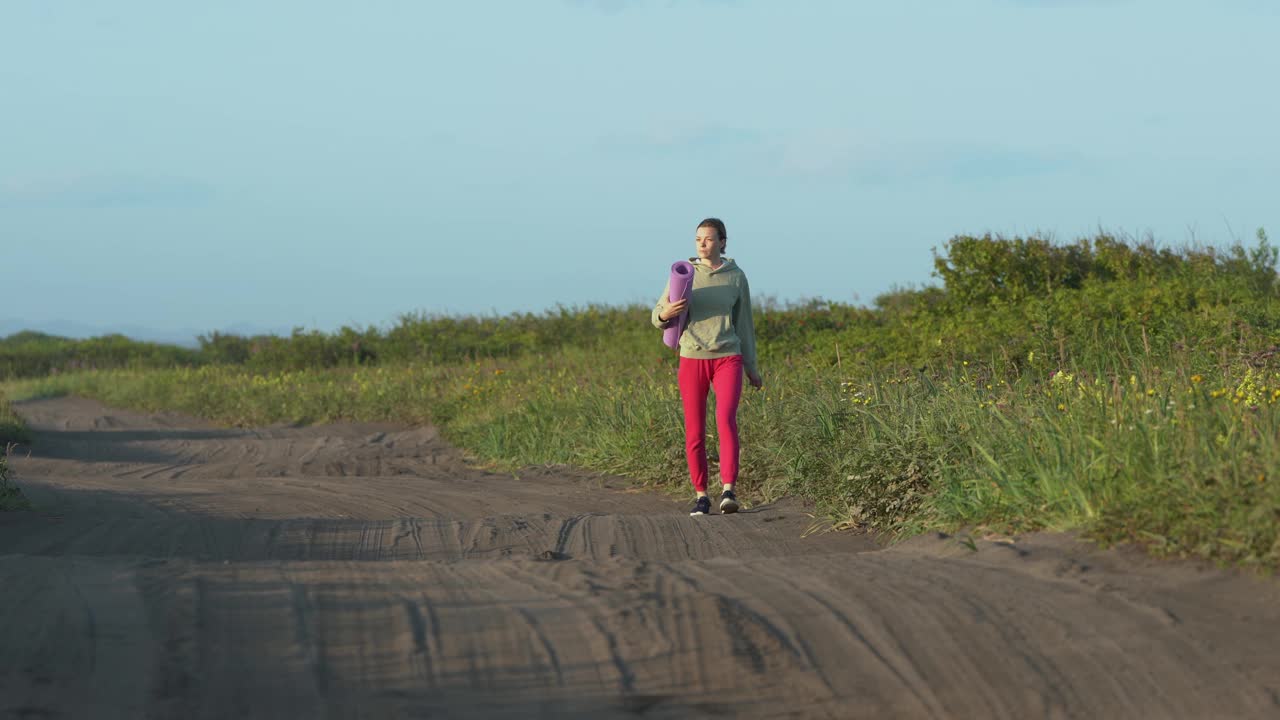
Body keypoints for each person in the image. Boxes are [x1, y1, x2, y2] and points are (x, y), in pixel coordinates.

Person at [652, 218, 763, 516]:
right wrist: (666, 313)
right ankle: (701, 494)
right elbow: (656, 315)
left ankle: (728, 490)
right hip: (691, 357)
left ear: (723, 242)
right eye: (698, 238)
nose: (702, 243)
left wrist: (752, 368)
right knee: (695, 430)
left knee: (726, 419)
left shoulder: (736, 277)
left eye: (709, 238)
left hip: (728, 356)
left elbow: (745, 325)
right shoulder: (684, 274)